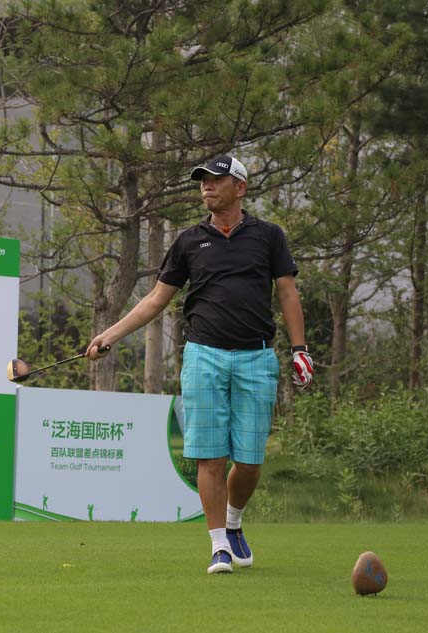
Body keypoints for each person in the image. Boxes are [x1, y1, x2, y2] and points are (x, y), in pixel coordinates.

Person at [86, 154, 314, 574]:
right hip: (204, 354)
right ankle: (218, 545)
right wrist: (111, 334)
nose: (206, 186)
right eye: (202, 180)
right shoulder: (189, 241)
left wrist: (300, 349)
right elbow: (157, 298)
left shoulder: (268, 236)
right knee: (210, 457)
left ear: (240, 187)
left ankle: (234, 522)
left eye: (215, 180)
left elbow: (287, 292)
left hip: (256, 356)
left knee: (249, 461)